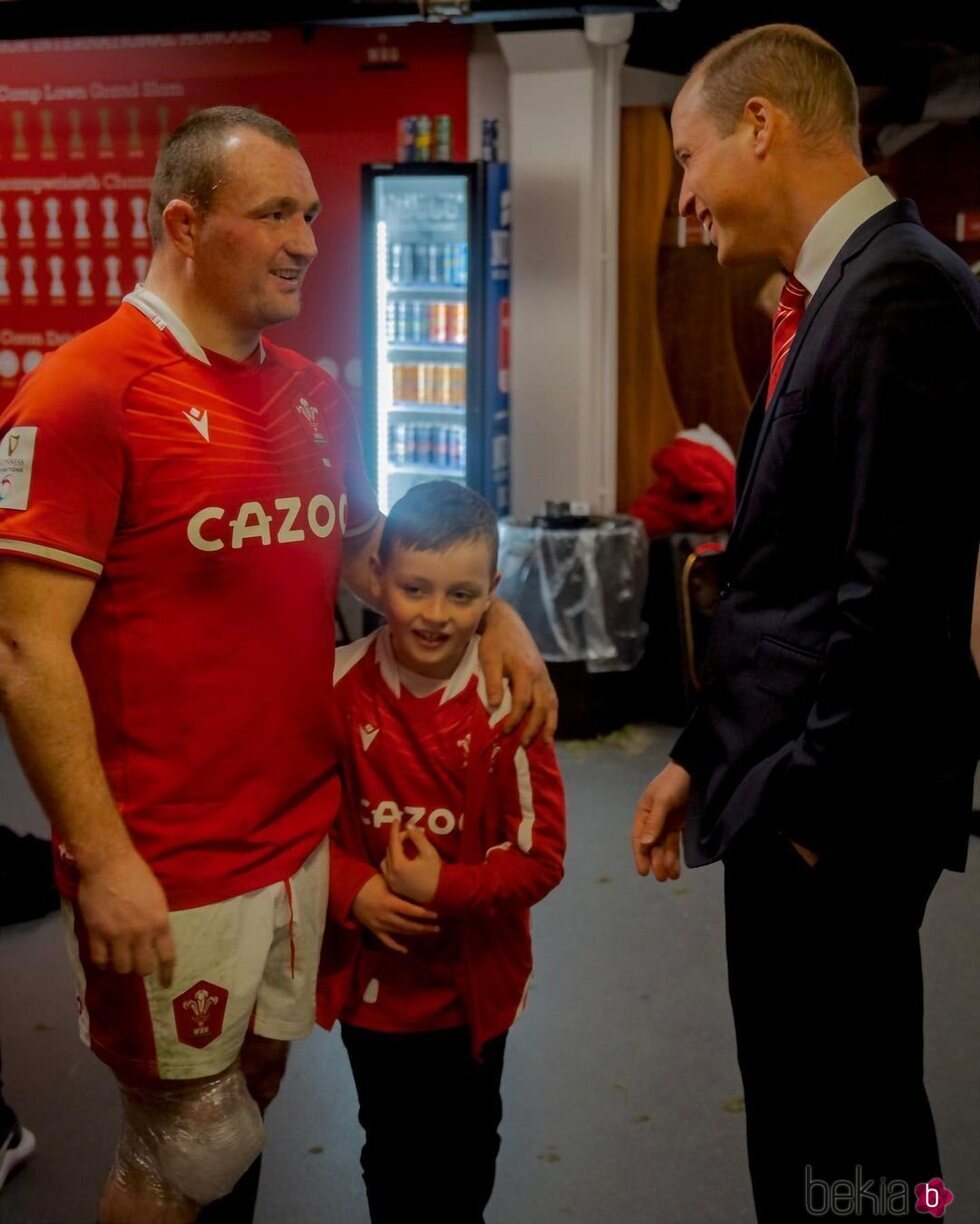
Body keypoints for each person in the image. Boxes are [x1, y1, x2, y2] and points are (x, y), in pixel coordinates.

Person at [0, 106, 556, 1224]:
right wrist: (103, 859)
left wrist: (499, 619)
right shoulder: (86, 393)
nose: (306, 239)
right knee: (179, 1151)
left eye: (309, 212)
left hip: (303, 838)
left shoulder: (313, 395)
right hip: (170, 858)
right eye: (273, 215)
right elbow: (24, 646)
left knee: (249, 1102)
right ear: (185, 225)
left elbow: (365, 554)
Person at [631, 25, 979, 1224]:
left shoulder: (901, 295)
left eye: (688, 155)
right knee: (808, 1112)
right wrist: (698, 752)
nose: (682, 195)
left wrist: (809, 820)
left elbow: (896, 591)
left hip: (830, 812)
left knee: (857, 1128)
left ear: (761, 125)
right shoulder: (835, 291)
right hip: (785, 783)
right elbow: (790, 579)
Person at [317, 480, 566, 1224]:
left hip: (469, 996)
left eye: (461, 595)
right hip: (373, 993)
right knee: (388, 1152)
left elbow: (542, 855)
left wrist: (443, 888)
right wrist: (351, 888)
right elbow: (299, 826)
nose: (434, 614)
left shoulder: (509, 702)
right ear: (377, 576)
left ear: (492, 592)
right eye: (414, 589)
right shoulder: (333, 689)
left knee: (464, 1160)